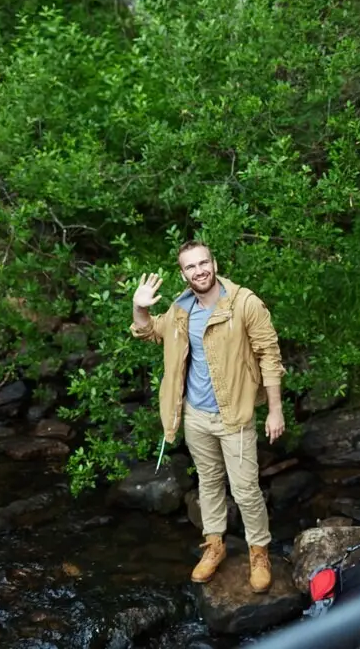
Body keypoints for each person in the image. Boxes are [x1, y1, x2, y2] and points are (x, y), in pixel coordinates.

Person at [130, 240, 287, 593]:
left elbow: (270, 356)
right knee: (209, 482)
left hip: (235, 415)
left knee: (246, 489)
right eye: (191, 266)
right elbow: (150, 332)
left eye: (204, 263)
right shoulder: (181, 308)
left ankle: (258, 551)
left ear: (214, 263)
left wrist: (275, 411)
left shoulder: (244, 303)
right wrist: (139, 308)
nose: (199, 270)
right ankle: (214, 544)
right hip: (195, 415)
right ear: (183, 273)